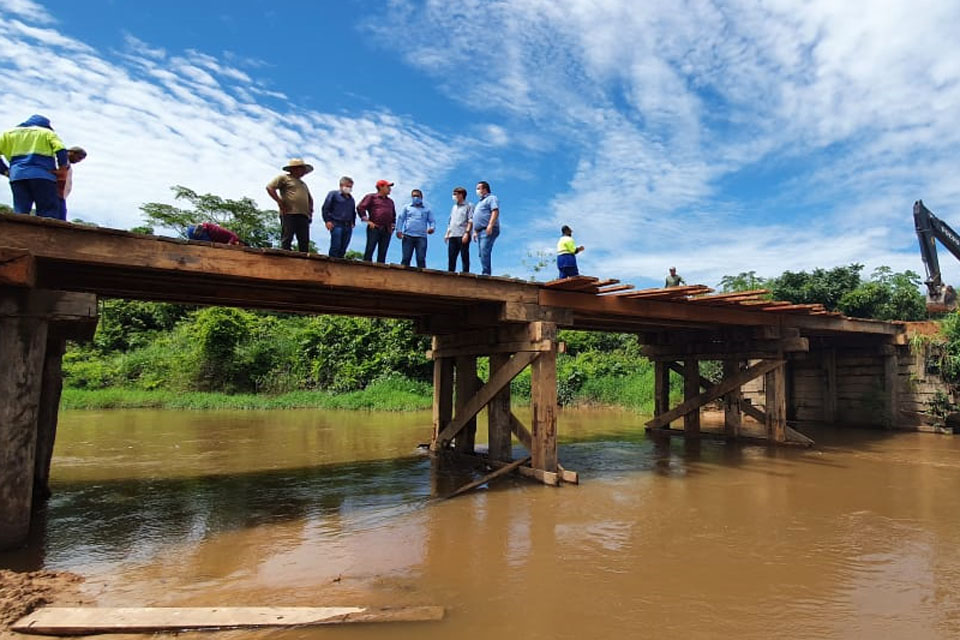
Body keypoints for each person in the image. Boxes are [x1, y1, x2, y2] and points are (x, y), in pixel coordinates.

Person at [0, 115, 70, 219]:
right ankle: (47, 234)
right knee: (47, 211)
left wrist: (5, 171)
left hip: (18, 176)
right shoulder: (46, 133)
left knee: (21, 211)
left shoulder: (7, 134)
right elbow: (61, 149)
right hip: (44, 176)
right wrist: (63, 169)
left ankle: (19, 233)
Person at [266, 158, 314, 252]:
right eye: (301, 168)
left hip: (303, 215)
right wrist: (280, 202)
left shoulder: (302, 184)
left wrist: (310, 210)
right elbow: (270, 188)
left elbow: (310, 198)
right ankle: (285, 256)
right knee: (287, 237)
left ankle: (304, 259)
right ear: (294, 169)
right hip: (289, 212)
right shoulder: (284, 178)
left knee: (304, 240)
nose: (303, 171)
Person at [357, 179, 396, 263]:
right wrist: (366, 220)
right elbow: (360, 207)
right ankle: (366, 269)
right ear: (381, 187)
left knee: (383, 252)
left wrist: (393, 225)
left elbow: (393, 215)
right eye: (388, 187)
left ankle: (380, 271)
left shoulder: (390, 201)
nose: (390, 189)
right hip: (374, 227)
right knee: (370, 249)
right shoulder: (371, 197)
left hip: (387, 229)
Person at [396, 188, 435, 268]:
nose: (415, 198)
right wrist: (398, 230)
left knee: (421, 259)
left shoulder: (427, 209)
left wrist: (432, 228)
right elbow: (401, 219)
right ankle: (403, 277)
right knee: (406, 258)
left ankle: (422, 278)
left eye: (417, 196)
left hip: (421, 237)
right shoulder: (407, 208)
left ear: (421, 197)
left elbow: (432, 221)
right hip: (408, 236)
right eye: (413, 196)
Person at [321, 176, 357, 258]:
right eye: (347, 186)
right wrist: (327, 221)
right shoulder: (333, 194)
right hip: (336, 224)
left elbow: (353, 212)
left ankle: (339, 266)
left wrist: (353, 222)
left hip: (348, 226)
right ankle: (331, 265)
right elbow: (325, 208)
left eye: (350, 187)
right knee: (335, 246)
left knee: (343, 247)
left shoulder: (351, 199)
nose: (349, 188)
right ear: (341, 185)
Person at [472, 180, 499, 275]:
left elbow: (495, 211)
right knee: (481, 253)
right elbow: (476, 218)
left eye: (478, 188)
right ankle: (485, 271)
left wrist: (490, 225)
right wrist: (475, 231)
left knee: (484, 250)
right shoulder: (479, 203)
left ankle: (486, 273)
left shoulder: (491, 198)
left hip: (488, 228)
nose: (477, 190)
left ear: (485, 189)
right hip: (480, 231)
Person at [445, 186, 473, 272]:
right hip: (453, 235)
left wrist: (467, 233)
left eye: (455, 194)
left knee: (464, 255)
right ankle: (450, 274)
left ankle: (466, 274)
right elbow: (451, 221)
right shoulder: (454, 207)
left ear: (461, 195)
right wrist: (447, 233)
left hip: (463, 234)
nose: (454, 196)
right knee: (451, 257)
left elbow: (471, 220)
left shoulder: (469, 206)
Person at [56, 146, 86, 220]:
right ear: (71, 152)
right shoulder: (61, 161)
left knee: (61, 218)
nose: (78, 161)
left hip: (61, 195)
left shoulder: (67, 164)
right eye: (79, 158)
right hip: (55, 193)